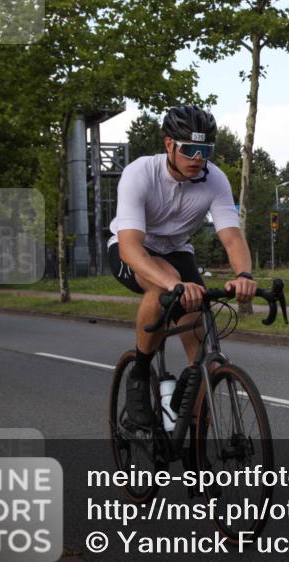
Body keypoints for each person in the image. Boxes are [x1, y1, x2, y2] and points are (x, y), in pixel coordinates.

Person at [108, 105, 256, 428]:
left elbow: (232, 238)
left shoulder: (215, 180)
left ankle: (194, 424)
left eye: (205, 150)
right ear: (169, 145)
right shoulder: (139, 173)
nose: (198, 158)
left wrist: (243, 275)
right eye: (189, 149)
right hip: (132, 249)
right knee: (164, 284)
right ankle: (139, 374)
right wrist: (171, 283)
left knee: (199, 334)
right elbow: (130, 248)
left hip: (177, 250)